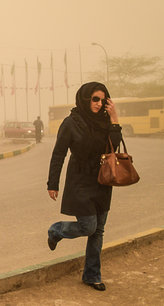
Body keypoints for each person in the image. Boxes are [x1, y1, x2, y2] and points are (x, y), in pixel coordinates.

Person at [46, 82, 122, 292]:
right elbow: (58, 154)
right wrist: (53, 183)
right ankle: (56, 230)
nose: (98, 104)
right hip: (79, 180)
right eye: (94, 99)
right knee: (88, 226)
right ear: (85, 99)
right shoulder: (71, 122)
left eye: (102, 100)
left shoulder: (106, 121)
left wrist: (115, 119)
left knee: (98, 231)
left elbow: (114, 145)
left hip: (102, 180)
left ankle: (92, 275)